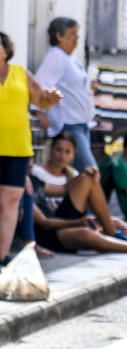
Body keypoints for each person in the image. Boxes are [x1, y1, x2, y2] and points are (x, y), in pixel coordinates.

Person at [0, 31, 62, 267]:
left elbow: (41, 100)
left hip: (17, 147)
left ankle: (2, 256)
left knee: (10, 200)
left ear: (6, 49)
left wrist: (52, 98)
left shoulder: (20, 74)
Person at [32, 133, 127, 244]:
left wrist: (82, 178)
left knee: (114, 222)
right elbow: (48, 210)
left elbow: (74, 196)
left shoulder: (72, 174)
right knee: (89, 181)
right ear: (51, 150)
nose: (62, 156)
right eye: (58, 150)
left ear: (73, 155)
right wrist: (83, 180)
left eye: (67, 152)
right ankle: (113, 233)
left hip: (71, 216)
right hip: (54, 222)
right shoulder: (37, 172)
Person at [33, 18, 97, 171]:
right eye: (72, 34)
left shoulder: (71, 59)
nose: (77, 38)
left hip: (82, 124)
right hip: (69, 124)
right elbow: (40, 84)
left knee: (80, 175)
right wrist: (39, 112)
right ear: (59, 36)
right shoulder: (55, 57)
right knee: (90, 171)